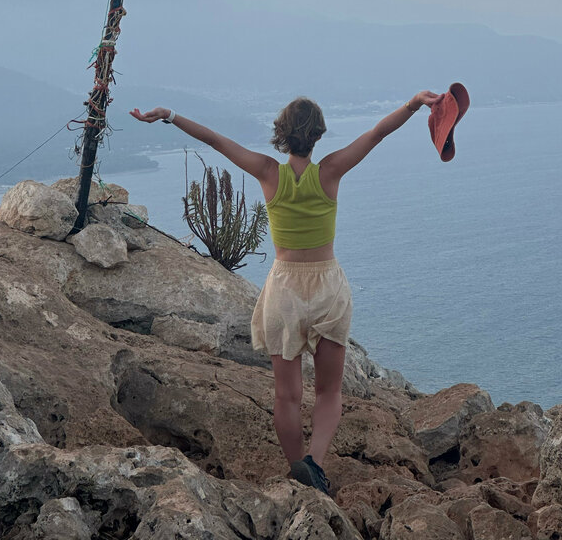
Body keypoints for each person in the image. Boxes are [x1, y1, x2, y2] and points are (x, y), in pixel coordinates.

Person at [130, 91, 439, 495]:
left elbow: (216, 141)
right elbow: (377, 133)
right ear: (317, 134)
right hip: (326, 287)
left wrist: (168, 115)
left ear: (282, 135)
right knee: (329, 391)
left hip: (284, 289)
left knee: (286, 395)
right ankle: (315, 461)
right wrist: (414, 104)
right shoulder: (329, 171)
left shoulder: (267, 172)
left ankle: (298, 469)